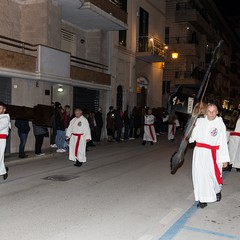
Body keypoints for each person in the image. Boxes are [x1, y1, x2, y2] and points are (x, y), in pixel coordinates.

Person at [189, 103, 230, 208]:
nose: (211, 114)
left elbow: (223, 143)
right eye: (209, 111)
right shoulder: (199, 121)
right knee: (200, 176)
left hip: (214, 154)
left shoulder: (220, 124)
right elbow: (192, 137)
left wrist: (224, 159)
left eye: (213, 111)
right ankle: (202, 199)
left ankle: (217, 191)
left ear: (217, 112)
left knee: (214, 177)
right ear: (206, 112)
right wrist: (192, 126)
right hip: (200, 153)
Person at [0, 101, 11, 180]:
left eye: (0, 108)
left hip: (1, 140)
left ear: (4, 109)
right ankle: (3, 171)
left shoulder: (5, 118)